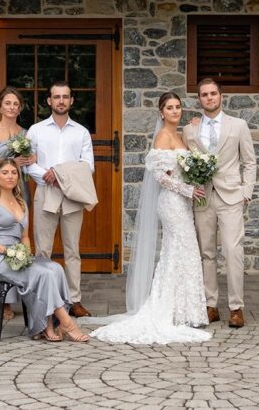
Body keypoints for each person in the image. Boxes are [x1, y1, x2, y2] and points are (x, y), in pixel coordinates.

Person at [89, 92, 211, 345]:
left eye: (178, 107)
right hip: (172, 202)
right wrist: (187, 189)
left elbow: (188, 164)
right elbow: (160, 176)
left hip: (184, 204)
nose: (175, 111)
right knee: (179, 250)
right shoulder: (162, 136)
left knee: (183, 252)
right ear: (161, 112)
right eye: (170, 108)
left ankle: (184, 310)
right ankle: (171, 309)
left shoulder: (180, 136)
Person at [0, 158, 89, 342]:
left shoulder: (21, 202)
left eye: (14, 172)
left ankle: (48, 325)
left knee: (54, 269)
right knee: (42, 274)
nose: (10, 176)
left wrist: (26, 255)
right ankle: (67, 323)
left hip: (18, 254)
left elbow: (24, 236)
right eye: (5, 172)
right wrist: (7, 252)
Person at [182, 78, 257, 328]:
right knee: (206, 252)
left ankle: (236, 308)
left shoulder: (239, 125)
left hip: (231, 196)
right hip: (203, 197)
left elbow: (249, 161)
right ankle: (210, 305)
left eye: (213, 93)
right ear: (199, 99)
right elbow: (184, 163)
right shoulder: (190, 129)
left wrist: (246, 191)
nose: (209, 98)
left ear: (221, 96)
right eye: (204, 95)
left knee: (233, 251)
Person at [26, 81, 95, 318]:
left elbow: (88, 167)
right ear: (49, 101)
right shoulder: (36, 130)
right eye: (56, 97)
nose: (61, 101)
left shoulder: (82, 132)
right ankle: (42, 300)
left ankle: (74, 300)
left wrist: (59, 173)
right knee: (42, 249)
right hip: (45, 191)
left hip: (72, 194)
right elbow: (28, 164)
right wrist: (47, 176)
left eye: (66, 96)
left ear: (72, 100)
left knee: (72, 250)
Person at [0, 86, 38, 321]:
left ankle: (9, 302)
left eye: (16, 104)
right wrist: (7, 162)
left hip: (19, 188)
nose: (12, 107)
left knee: (16, 238)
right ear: (0, 106)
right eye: (7, 103)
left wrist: (32, 159)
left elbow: (30, 163)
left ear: (19, 108)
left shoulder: (26, 133)